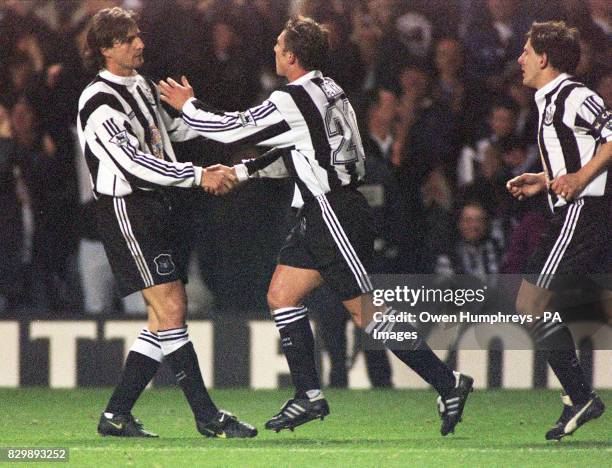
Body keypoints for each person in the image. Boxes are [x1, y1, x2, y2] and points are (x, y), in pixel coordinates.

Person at [159, 15, 473, 436]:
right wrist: (246, 172)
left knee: (365, 313)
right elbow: (303, 152)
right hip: (324, 210)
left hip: (332, 211)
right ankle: (308, 395)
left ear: (291, 55)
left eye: (277, 44)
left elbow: (231, 128)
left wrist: (188, 106)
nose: (272, 49)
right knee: (281, 295)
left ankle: (448, 382)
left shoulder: (292, 98)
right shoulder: (333, 90)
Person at [77, 7, 256, 439]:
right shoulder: (97, 102)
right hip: (127, 209)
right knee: (172, 307)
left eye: (138, 36)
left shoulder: (139, 84)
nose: (139, 44)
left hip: (157, 207)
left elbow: (172, 133)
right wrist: (200, 176)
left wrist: (195, 112)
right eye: (127, 39)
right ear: (105, 48)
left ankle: (116, 414)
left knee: (163, 316)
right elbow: (136, 165)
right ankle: (207, 415)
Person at [507, 20, 610, 440]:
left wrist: (581, 179)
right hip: (572, 207)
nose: (520, 58)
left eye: (527, 50)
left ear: (544, 58)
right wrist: (543, 178)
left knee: (531, 303)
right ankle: (576, 395)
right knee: (557, 304)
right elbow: (578, 151)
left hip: (584, 211)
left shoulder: (573, 95)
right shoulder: (549, 100)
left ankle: (579, 395)